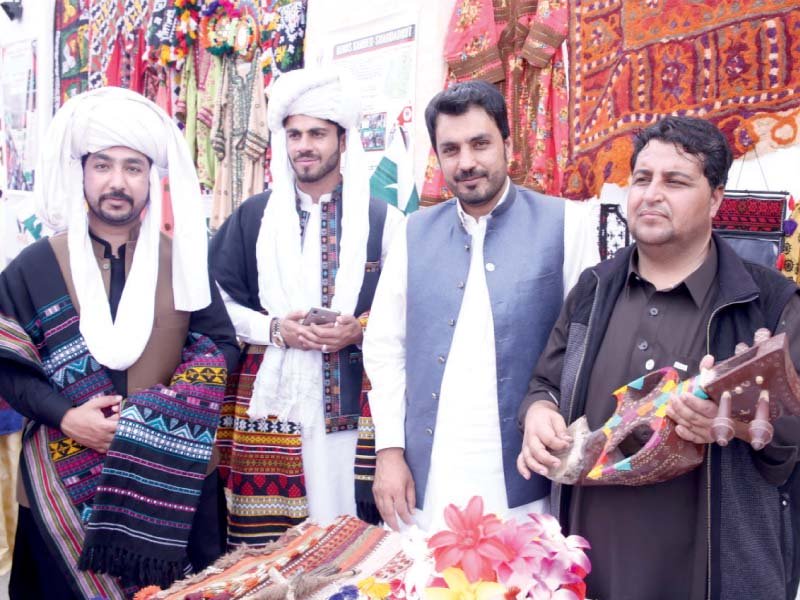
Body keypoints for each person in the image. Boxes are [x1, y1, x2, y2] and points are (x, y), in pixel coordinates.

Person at [518, 115, 800, 600]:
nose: (651, 193)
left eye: (675, 181)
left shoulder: (769, 301)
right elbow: (545, 383)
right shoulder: (593, 288)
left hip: (709, 569)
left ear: (715, 198)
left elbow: (791, 440)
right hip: (590, 562)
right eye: (642, 178)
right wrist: (538, 413)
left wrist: (728, 422)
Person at [0, 87, 239, 599]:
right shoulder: (33, 267)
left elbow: (221, 346)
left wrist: (155, 415)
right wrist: (68, 418)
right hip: (61, 486)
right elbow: (9, 367)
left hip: (169, 487)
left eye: (133, 167)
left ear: (151, 180)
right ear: (81, 173)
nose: (117, 182)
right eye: (103, 165)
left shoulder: (185, 263)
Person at [363, 80, 579, 531]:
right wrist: (389, 451)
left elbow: (584, 344)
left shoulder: (565, 223)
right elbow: (385, 348)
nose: (466, 162)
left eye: (480, 144)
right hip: (428, 473)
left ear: (507, 143)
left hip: (525, 476)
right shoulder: (412, 232)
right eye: (451, 149)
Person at [210, 68, 404, 546]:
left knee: (348, 540)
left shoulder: (386, 220)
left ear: (342, 139)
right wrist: (274, 328)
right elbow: (214, 306)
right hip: (269, 409)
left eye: (317, 133)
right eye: (294, 134)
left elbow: (410, 310)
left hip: (350, 410)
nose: (304, 145)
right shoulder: (252, 217)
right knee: (268, 555)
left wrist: (358, 330)